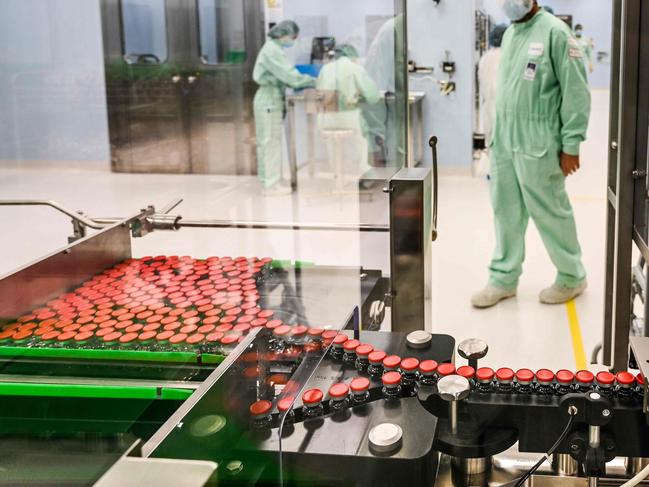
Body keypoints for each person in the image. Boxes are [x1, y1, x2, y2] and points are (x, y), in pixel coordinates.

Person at [471, 0, 591, 308]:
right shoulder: (511, 34)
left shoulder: (555, 33)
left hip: (539, 140)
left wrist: (571, 144)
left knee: (550, 211)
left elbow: (576, 92)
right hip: (505, 142)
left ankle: (572, 275)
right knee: (505, 211)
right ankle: (503, 279)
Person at [253, 20, 315, 196]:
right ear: (283, 34)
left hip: (271, 98)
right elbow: (290, 76)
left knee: (270, 142)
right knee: (269, 142)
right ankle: (270, 185)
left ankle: (271, 180)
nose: (293, 40)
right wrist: (313, 80)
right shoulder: (272, 51)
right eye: (293, 37)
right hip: (268, 100)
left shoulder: (274, 49)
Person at [316, 44, 381, 178]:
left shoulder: (325, 69)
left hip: (325, 118)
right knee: (362, 142)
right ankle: (366, 175)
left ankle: (337, 173)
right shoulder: (355, 68)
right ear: (353, 56)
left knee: (332, 143)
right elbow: (373, 96)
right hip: (348, 117)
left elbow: (319, 93)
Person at [478, 24, 508, 148]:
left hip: (488, 108)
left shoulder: (485, 58)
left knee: (492, 147)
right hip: (506, 110)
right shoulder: (508, 56)